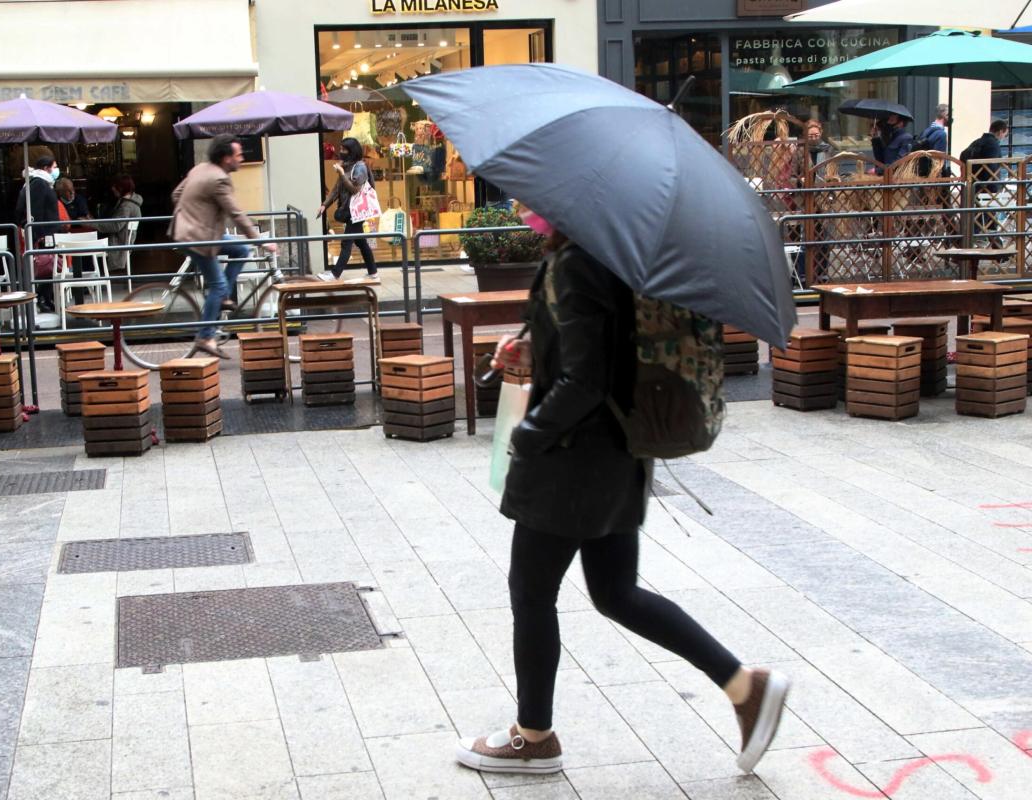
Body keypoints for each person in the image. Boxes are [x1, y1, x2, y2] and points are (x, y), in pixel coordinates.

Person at [453, 208, 790, 776]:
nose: (520, 204)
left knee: (531, 593)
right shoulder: (605, 251)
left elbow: (586, 379)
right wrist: (534, 353)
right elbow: (599, 354)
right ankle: (743, 685)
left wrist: (528, 437)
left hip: (572, 462)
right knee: (616, 593)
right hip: (616, 454)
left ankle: (533, 736)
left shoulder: (578, 262)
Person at [169, 135, 276, 358]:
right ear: (227, 158)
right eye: (238, 155)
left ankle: (224, 298)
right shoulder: (219, 179)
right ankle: (206, 336)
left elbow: (176, 194)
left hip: (189, 232)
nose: (242, 158)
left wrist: (192, 214)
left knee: (241, 249)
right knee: (217, 285)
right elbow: (236, 214)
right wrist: (261, 241)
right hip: (198, 238)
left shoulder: (200, 169)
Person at [317, 137, 378, 281]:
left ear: (352, 151)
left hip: (357, 211)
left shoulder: (360, 167)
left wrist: (340, 172)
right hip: (350, 210)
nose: (340, 152)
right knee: (361, 242)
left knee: (346, 242)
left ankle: (335, 274)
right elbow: (336, 189)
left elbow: (354, 189)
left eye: (344, 149)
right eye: (341, 149)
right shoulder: (346, 165)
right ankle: (373, 272)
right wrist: (324, 205)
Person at [17, 155, 65, 311]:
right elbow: (35, 211)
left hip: (46, 232)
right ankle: (42, 298)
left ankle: (46, 297)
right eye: (55, 166)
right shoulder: (39, 184)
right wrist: (40, 234)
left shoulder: (39, 183)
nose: (56, 170)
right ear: (46, 168)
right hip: (44, 233)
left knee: (48, 267)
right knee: (46, 266)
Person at [964, 120, 1011, 246]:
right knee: (990, 220)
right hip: (988, 189)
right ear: (1001, 131)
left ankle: (973, 245)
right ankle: (997, 248)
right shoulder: (993, 144)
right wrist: (996, 187)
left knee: (978, 219)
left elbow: (963, 156)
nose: (1004, 137)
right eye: (1005, 134)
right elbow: (992, 167)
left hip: (974, 186)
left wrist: (970, 175)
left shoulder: (977, 142)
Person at [91, 174, 143, 283]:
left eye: (115, 186)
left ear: (121, 188)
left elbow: (115, 226)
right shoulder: (132, 202)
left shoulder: (126, 206)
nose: (112, 189)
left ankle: (89, 281)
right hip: (124, 240)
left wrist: (91, 224)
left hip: (118, 243)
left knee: (86, 249)